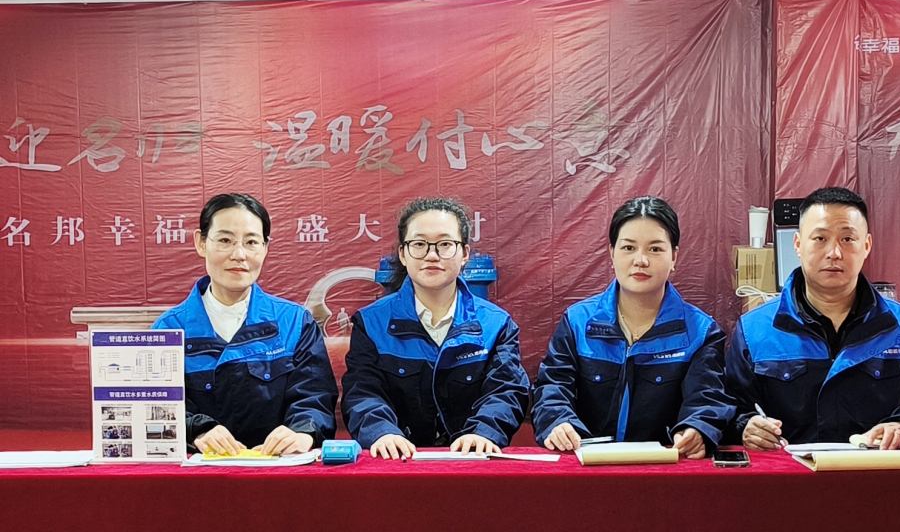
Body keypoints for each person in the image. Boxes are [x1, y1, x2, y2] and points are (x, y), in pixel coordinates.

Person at [726, 186, 900, 451]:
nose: (834, 252)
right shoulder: (755, 330)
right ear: (798, 244)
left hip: (881, 473)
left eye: (847, 239)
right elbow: (729, 409)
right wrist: (745, 426)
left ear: (866, 246)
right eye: (820, 238)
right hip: (790, 474)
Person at [533, 196, 733, 459]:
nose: (641, 260)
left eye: (655, 249)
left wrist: (697, 429)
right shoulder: (577, 322)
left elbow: (706, 398)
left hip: (665, 469)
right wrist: (558, 422)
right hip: (587, 465)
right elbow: (552, 388)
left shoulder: (701, 332)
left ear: (674, 257)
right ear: (612, 253)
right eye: (628, 248)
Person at [341, 197, 530, 459]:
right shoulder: (371, 323)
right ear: (403, 254)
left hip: (473, 460)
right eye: (419, 244)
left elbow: (506, 390)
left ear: (464, 254)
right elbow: (362, 391)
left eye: (445, 244)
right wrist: (382, 433)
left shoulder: (496, 324)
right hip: (396, 463)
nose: (432, 255)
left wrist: (484, 432)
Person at [152, 193, 338, 455]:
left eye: (251, 242)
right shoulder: (169, 329)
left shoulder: (295, 322)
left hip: (279, 469)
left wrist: (302, 433)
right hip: (198, 472)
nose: (239, 254)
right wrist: (196, 430)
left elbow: (314, 397)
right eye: (225, 240)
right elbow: (156, 407)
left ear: (265, 248)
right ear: (201, 243)